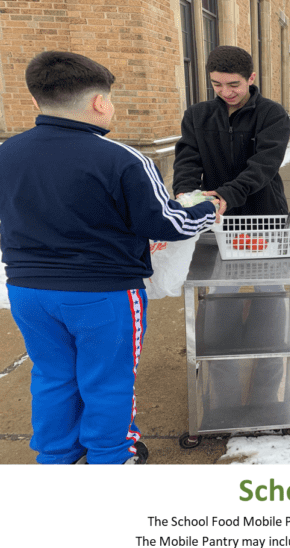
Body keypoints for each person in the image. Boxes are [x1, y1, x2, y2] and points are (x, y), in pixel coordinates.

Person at [0, 50, 218, 464]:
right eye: (110, 101)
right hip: (104, 294)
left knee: (52, 376)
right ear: (99, 102)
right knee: (108, 382)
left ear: (35, 101)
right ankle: (111, 457)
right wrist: (205, 209)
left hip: (28, 292)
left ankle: (56, 457)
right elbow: (168, 224)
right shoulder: (123, 159)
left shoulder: (6, 156)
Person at [173, 46, 290, 217]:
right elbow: (187, 161)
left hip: (263, 211)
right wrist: (185, 191)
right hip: (214, 209)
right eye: (217, 84)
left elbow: (265, 164)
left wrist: (229, 193)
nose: (226, 92)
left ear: (251, 78)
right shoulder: (196, 115)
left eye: (233, 84)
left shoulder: (272, 114)